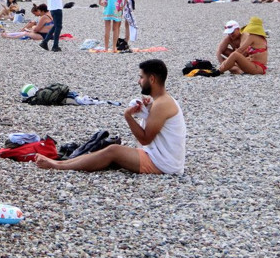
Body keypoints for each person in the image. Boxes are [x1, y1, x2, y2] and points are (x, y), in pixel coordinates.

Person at [35, 59, 186, 175]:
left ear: (152, 79)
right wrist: (148, 108)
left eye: (141, 77)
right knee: (108, 150)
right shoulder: (160, 101)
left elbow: (145, 139)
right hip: (164, 159)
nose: (138, 81)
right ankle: (61, 163)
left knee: (113, 150)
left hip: (164, 164)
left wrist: (128, 116)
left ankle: (58, 166)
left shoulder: (162, 104)